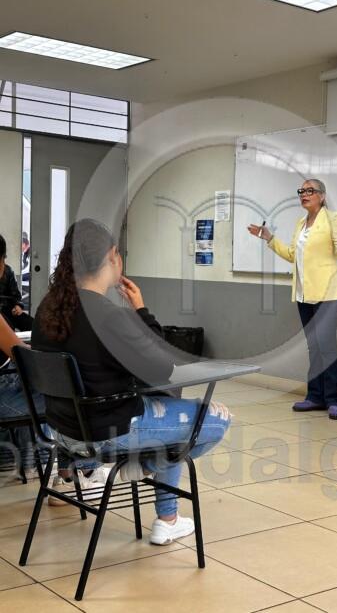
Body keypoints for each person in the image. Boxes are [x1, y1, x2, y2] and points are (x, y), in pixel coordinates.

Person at [32, 218, 231, 545]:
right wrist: (141, 310)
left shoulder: (47, 310)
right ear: (112, 257)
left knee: (169, 411)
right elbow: (163, 367)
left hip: (65, 432)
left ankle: (166, 515)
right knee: (216, 419)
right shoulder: (108, 316)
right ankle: (152, 482)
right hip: (110, 433)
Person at [248, 179, 337, 420]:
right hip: (304, 293)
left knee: (326, 345)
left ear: (322, 196)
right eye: (301, 191)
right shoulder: (301, 223)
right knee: (313, 346)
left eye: (310, 191)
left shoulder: (333, 219)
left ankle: (333, 400)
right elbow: (292, 255)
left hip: (329, 293)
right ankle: (315, 396)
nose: (304, 194)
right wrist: (269, 238)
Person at [0, 313, 106, 495]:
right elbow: (21, 355)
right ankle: (84, 472)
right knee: (74, 394)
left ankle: (67, 476)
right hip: (5, 391)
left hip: (9, 380)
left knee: (65, 387)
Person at [0, 234, 34, 331]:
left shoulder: (8, 271)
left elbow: (16, 295)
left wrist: (18, 305)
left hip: (8, 310)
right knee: (7, 325)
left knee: (33, 325)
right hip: (2, 316)